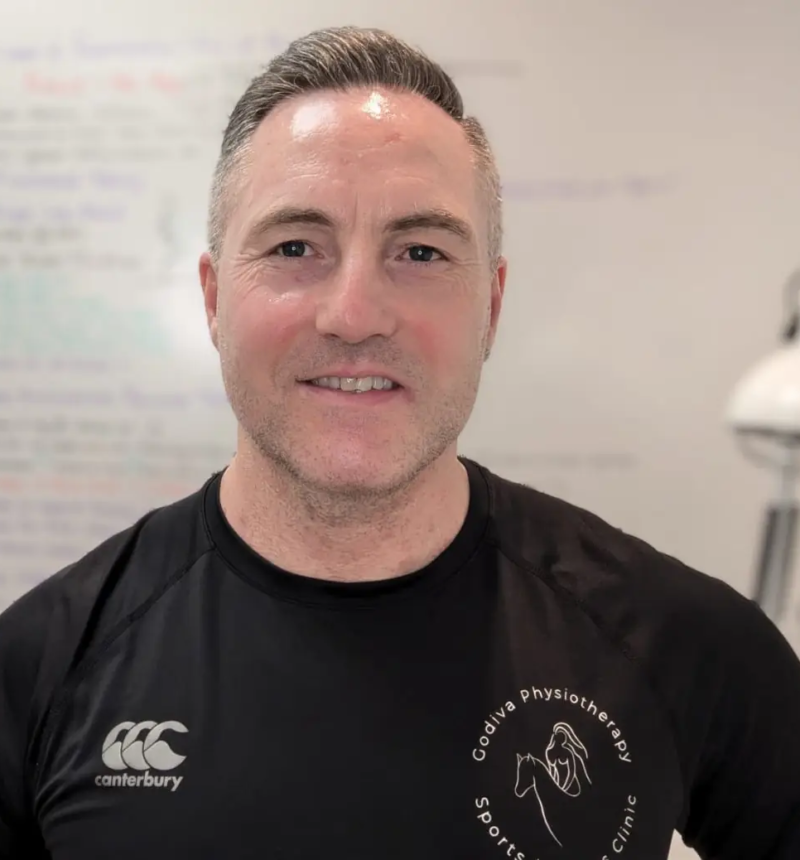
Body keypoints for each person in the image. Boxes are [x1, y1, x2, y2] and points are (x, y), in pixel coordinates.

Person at [0, 25, 797, 860]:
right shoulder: (45, 664)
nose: (354, 314)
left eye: (420, 250)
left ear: (489, 307)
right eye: (295, 247)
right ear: (212, 299)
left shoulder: (682, 645)